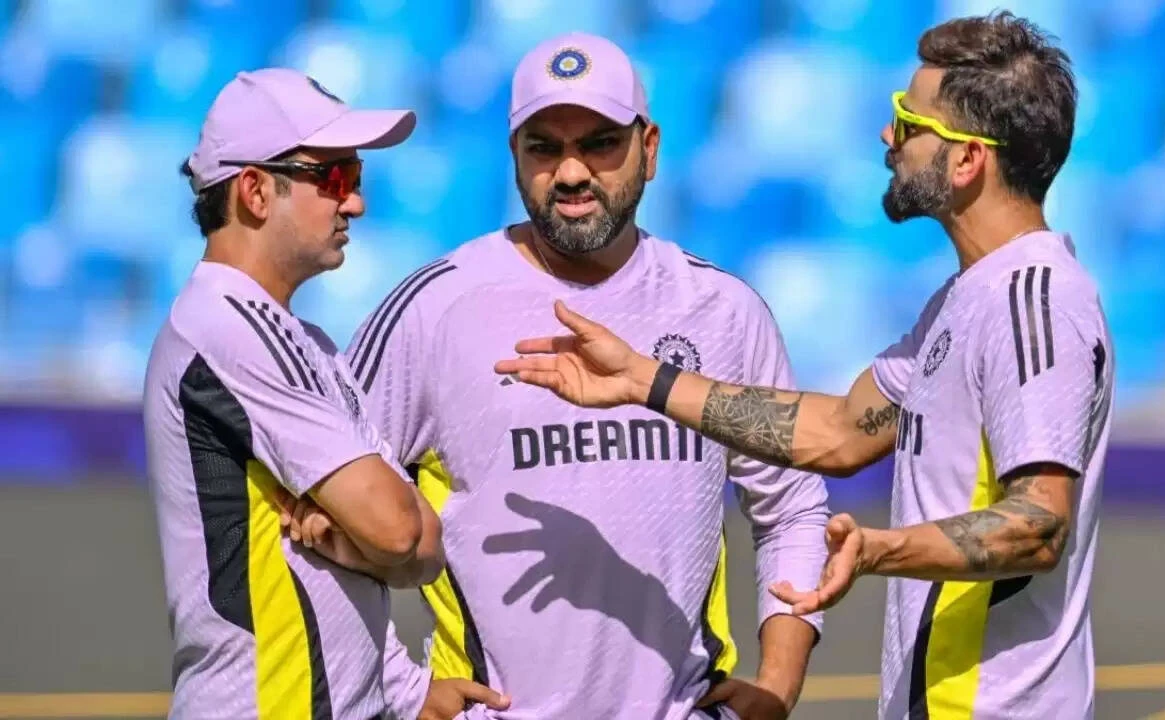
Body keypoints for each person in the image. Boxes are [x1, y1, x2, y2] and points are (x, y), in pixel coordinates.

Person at [496, 12, 1114, 720]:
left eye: (908, 121)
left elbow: (1038, 523)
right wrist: (645, 380)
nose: (888, 137)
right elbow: (841, 432)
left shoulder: (1033, 300)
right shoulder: (963, 300)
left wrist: (880, 550)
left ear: (968, 159)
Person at [355, 32, 831, 720]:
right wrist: (401, 687)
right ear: (514, 156)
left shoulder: (723, 310)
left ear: (650, 148)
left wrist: (779, 684)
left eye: (601, 143)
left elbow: (792, 507)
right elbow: (315, 513)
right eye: (544, 147)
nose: (572, 172)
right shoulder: (432, 309)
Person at [142, 67, 453, 719]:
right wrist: (376, 537)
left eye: (356, 177)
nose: (355, 203)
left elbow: (423, 547)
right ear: (255, 190)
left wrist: (359, 539)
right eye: (335, 178)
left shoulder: (307, 343)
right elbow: (401, 531)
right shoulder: (231, 325)